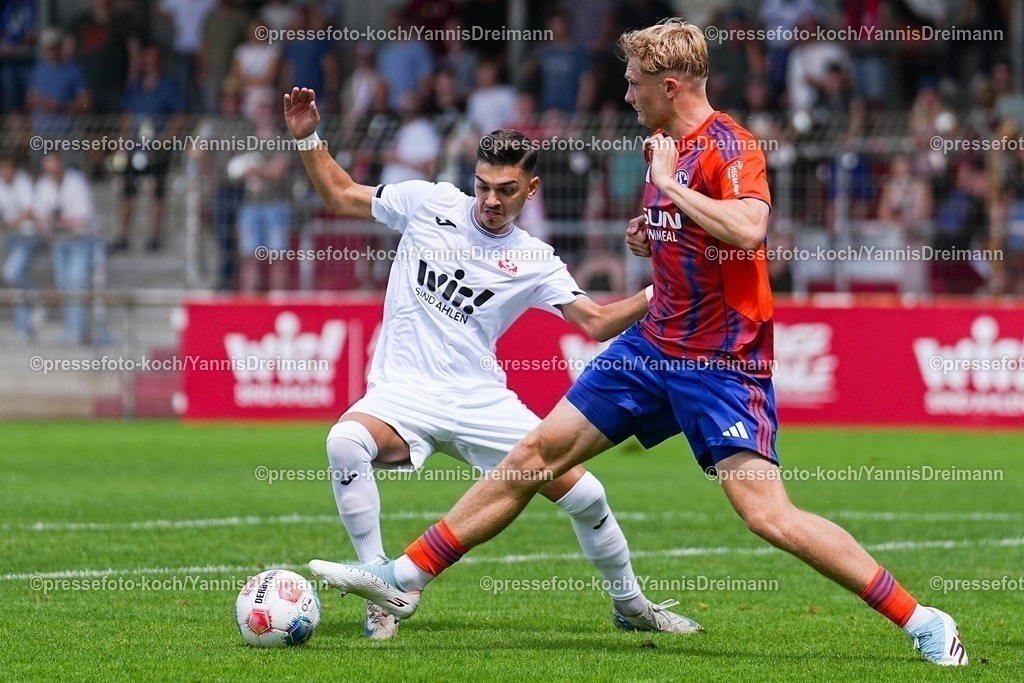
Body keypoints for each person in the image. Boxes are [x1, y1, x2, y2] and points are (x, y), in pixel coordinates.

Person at [310, 20, 969, 667]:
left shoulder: (729, 147)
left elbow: (747, 228)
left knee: (768, 516)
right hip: (652, 349)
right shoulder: (659, 144)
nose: (626, 95)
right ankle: (406, 576)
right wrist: (651, 230)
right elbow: (689, 238)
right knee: (535, 453)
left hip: (720, 363)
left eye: (634, 84)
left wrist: (674, 191)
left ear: (671, 85)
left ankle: (923, 620)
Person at [284, 86, 700, 639]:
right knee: (344, 442)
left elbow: (596, 323)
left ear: (531, 190)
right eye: (482, 186)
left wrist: (657, 291)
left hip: (481, 400)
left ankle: (633, 606)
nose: (490, 200)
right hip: (403, 393)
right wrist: (308, 135)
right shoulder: (427, 203)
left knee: (588, 495)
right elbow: (339, 195)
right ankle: (378, 587)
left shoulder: (533, 258)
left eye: (506, 190)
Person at [112, 44, 185, 252]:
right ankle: (123, 236)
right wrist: (121, 143)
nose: (150, 62)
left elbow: (180, 115)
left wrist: (164, 139)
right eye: (147, 58)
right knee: (127, 191)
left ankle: (155, 236)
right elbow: (127, 115)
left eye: (154, 58)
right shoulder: (135, 86)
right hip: (134, 148)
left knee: (157, 192)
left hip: (156, 151)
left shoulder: (168, 86)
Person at [33, 152, 99, 345]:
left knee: (77, 283)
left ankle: (78, 330)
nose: (51, 169)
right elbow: (40, 215)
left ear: (61, 164)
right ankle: (70, 328)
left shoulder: (76, 182)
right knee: (63, 285)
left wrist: (59, 221)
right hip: (59, 241)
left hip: (80, 240)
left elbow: (83, 216)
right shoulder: (43, 184)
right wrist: (54, 222)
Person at [0, 153, 39, 340]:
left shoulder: (23, 182)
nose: (6, 172)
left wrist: (9, 223)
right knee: (16, 281)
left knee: (11, 273)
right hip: (10, 238)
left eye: (9, 167)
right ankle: (23, 327)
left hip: (27, 236)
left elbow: (29, 212)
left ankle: (36, 300)